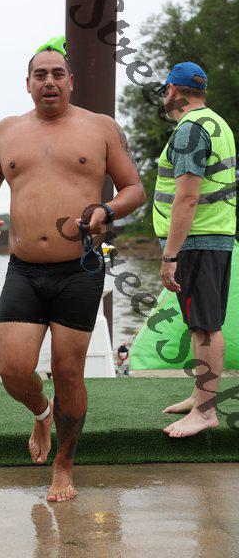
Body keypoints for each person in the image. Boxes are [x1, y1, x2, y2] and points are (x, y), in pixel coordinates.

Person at [0, 37, 145, 502]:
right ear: (27, 84)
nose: (49, 81)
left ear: (71, 82)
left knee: (68, 370)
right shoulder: (7, 131)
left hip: (79, 268)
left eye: (57, 74)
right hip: (24, 270)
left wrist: (107, 209)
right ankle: (41, 412)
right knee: (12, 369)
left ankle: (63, 468)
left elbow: (133, 188)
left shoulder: (100, 127)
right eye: (40, 75)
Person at [153, 62, 236, 437]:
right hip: (214, 236)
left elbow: (187, 197)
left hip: (197, 240)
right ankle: (200, 397)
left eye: (165, 90)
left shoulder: (190, 129)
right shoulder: (218, 123)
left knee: (204, 327)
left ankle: (205, 412)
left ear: (173, 90)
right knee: (202, 322)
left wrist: (170, 255)